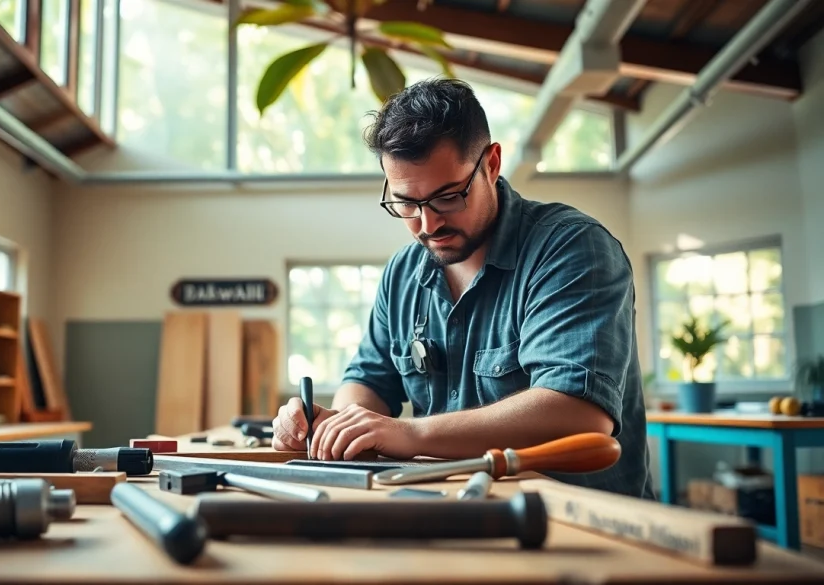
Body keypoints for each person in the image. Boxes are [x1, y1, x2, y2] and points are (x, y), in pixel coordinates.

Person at [272, 77, 654, 499]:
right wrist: (336, 426)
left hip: (585, 526)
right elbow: (370, 379)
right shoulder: (402, 273)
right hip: (452, 512)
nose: (428, 224)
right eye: (406, 203)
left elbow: (579, 415)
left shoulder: (572, 249)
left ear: (491, 164)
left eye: (449, 197)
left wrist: (411, 434)